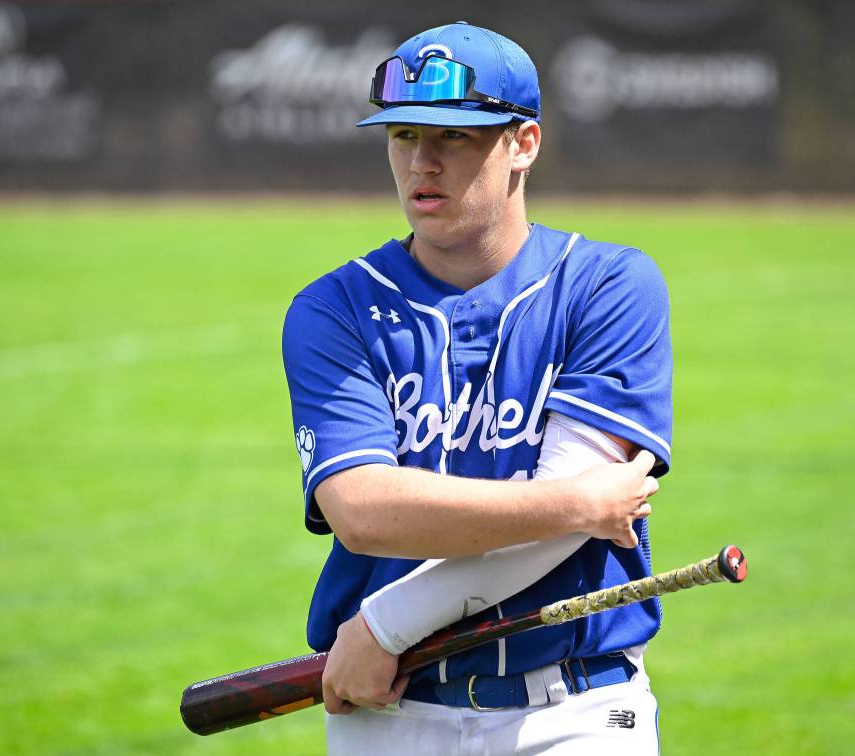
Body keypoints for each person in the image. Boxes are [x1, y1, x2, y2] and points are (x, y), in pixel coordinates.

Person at [282, 21, 672, 755]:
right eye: (402, 135)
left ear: (523, 143)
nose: (421, 162)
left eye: (454, 137)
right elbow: (363, 512)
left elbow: (550, 542)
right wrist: (578, 503)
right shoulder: (333, 308)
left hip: (576, 711)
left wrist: (383, 626)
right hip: (391, 710)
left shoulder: (610, 286)